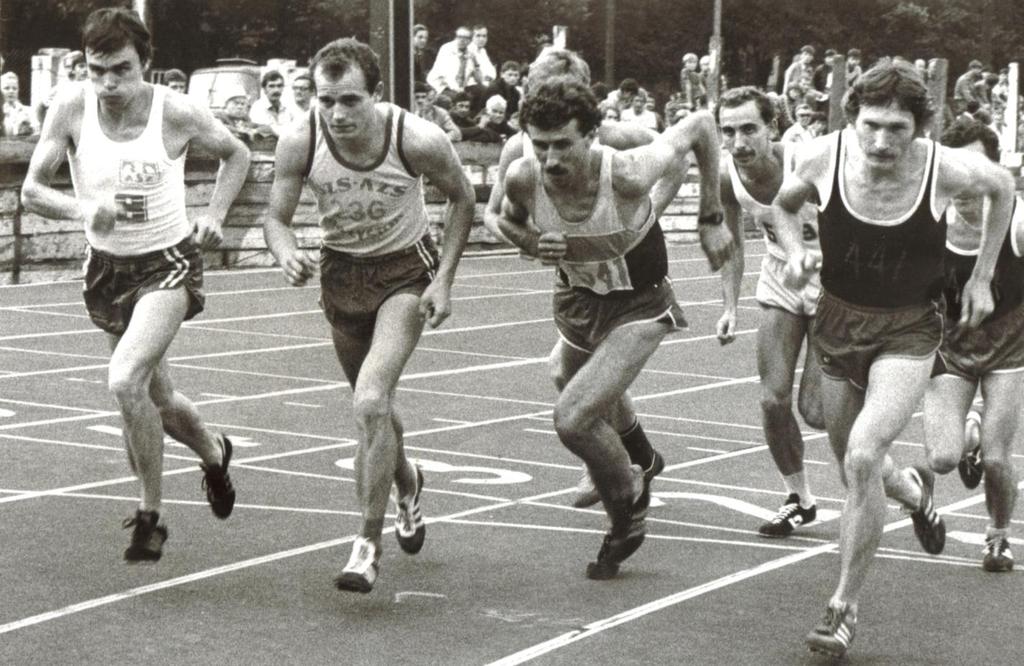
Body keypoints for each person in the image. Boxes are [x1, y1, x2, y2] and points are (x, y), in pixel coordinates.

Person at [773, 61, 1015, 658]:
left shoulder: (940, 168)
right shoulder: (822, 158)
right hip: (837, 322)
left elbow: (1002, 186)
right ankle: (914, 492)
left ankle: (843, 608)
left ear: (919, 128)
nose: (882, 142)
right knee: (856, 463)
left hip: (909, 328)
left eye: (897, 129)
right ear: (851, 118)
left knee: (861, 455)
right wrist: (794, 248)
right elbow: (780, 206)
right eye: (872, 125)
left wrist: (983, 277)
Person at [21, 7, 250, 562]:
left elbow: (237, 154)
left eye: (121, 70)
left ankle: (151, 514)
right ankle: (215, 452)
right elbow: (31, 190)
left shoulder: (176, 112)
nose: (109, 84)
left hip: (168, 262)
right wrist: (83, 211)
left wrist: (216, 214)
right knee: (158, 397)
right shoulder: (71, 107)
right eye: (97, 70)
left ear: (146, 63)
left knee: (125, 380)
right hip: (108, 270)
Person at [263, 37, 475, 593]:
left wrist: (446, 278)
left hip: (404, 272)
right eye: (326, 99)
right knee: (373, 411)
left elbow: (462, 197)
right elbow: (276, 217)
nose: (337, 113)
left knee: (370, 400)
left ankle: (366, 544)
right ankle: (408, 483)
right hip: (342, 276)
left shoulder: (417, 138)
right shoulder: (301, 139)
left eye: (351, 101)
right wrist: (285, 250)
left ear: (377, 96)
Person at [482, 48, 733, 511]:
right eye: (536, 91)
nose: (550, 150)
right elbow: (497, 217)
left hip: (629, 267)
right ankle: (636, 455)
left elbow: (677, 156)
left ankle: (614, 463)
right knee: (566, 373)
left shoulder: (620, 140)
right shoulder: (520, 150)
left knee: (582, 386)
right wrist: (532, 241)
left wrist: (648, 213)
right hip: (576, 276)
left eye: (556, 90)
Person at [715, 86, 825, 538]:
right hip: (780, 278)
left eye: (748, 130)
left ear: (772, 128)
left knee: (818, 411)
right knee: (771, 399)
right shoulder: (728, 176)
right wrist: (730, 306)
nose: (739, 143)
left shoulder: (808, 160)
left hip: (831, 283)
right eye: (728, 131)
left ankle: (894, 477)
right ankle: (799, 498)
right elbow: (731, 242)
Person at [924, 119, 1024, 572]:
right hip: (952, 349)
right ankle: (969, 439)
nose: (965, 179)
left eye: (977, 166)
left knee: (1000, 459)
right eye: (956, 165)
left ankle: (998, 535)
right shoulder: (928, 219)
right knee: (941, 458)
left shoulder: (1017, 222)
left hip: (1009, 347)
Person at [249, 70, 297, 136]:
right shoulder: (258, 107)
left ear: (283, 88)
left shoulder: (288, 107)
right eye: (271, 86)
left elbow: (296, 130)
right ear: (264, 89)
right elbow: (264, 133)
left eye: (279, 86)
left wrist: (272, 130)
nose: (276, 90)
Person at [2, 72, 38, 136]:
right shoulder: (1, 112)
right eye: (6, 88)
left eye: (14, 88)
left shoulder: (29, 111)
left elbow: (36, 134)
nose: (11, 91)